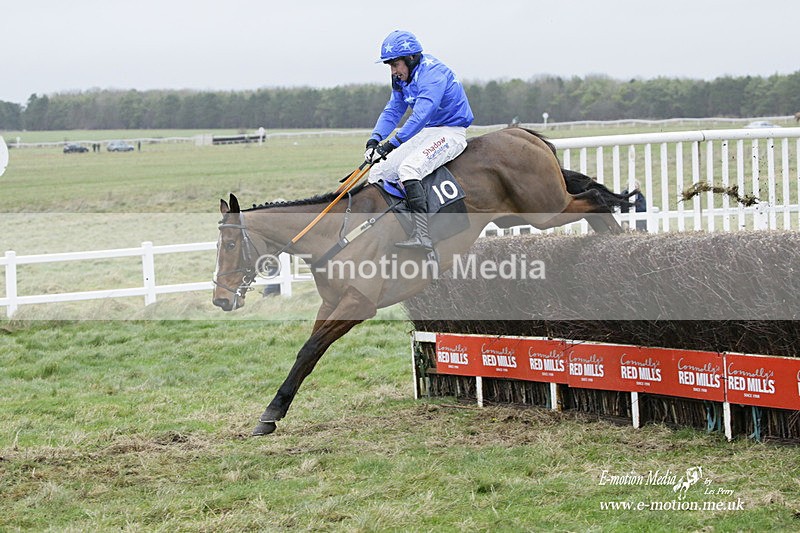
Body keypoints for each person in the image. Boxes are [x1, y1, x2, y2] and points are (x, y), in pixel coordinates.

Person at [364, 30, 474, 249]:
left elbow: (420, 115)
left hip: (450, 131)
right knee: (378, 172)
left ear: (411, 58)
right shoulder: (402, 77)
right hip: (428, 131)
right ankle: (394, 227)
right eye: (390, 66)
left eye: (395, 65)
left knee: (409, 169)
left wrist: (392, 144)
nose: (393, 71)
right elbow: (394, 109)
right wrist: (374, 140)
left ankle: (423, 235)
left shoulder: (432, 75)